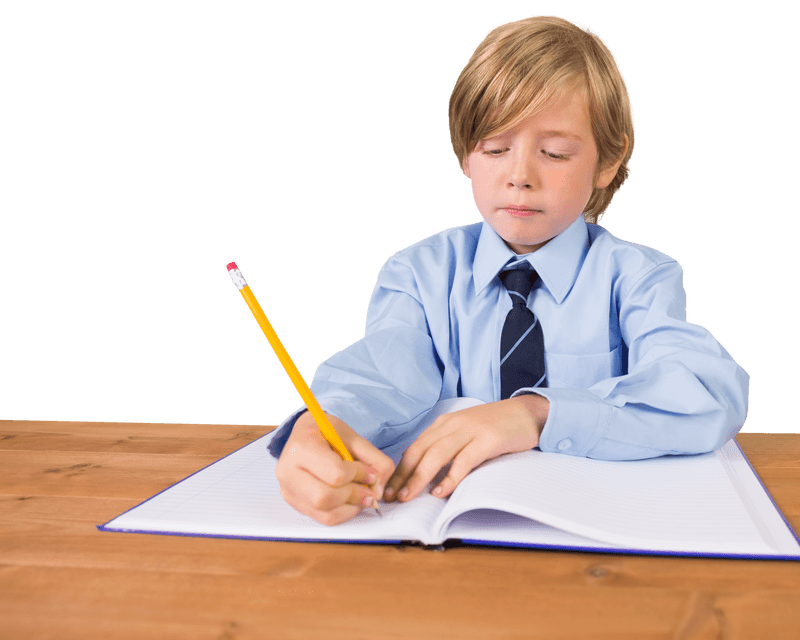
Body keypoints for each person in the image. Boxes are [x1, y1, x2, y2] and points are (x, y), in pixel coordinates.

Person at [268, 14, 751, 525]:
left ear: (607, 162)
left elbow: (707, 390)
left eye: (555, 153)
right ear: (465, 157)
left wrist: (537, 414)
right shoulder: (418, 273)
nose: (520, 176)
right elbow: (384, 371)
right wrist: (325, 425)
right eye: (495, 149)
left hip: (593, 530)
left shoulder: (636, 276)